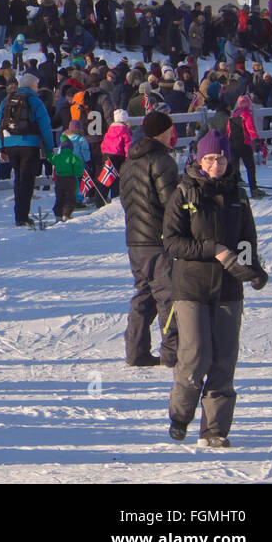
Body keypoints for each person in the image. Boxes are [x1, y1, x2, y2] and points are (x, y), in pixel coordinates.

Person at [162, 128, 268, 446]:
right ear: (199, 159)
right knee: (196, 357)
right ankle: (180, 416)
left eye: (220, 159)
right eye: (209, 158)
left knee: (224, 359)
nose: (215, 165)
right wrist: (214, 249)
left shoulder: (237, 194)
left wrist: (253, 270)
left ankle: (215, 429)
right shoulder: (184, 193)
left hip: (228, 290)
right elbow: (172, 243)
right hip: (191, 288)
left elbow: (247, 239)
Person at [117, 109, 179, 368]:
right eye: (171, 131)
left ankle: (136, 351)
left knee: (144, 295)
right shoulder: (161, 160)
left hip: (135, 240)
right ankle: (173, 352)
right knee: (168, 296)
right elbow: (171, 204)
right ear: (163, 132)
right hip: (157, 239)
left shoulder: (129, 161)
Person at [0, 72, 55, 227]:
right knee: (27, 181)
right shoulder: (35, 101)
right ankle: (22, 217)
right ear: (32, 85)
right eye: (36, 85)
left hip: (10, 145)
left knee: (18, 179)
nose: (38, 87)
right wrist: (49, 149)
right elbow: (45, 126)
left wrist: (1, 146)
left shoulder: (7, 100)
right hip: (29, 145)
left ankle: (18, 214)